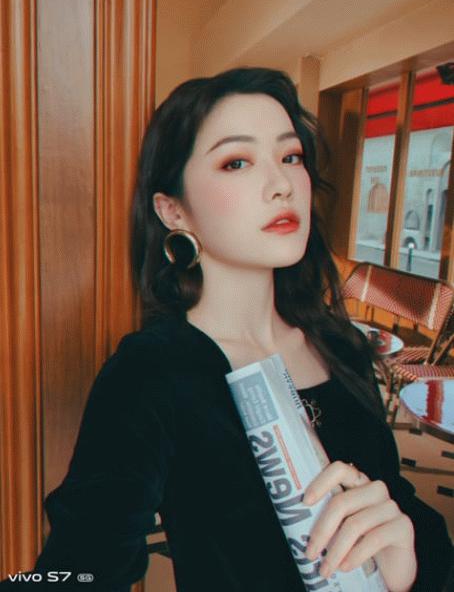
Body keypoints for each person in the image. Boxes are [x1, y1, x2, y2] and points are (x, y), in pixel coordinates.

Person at [2, 67, 452, 591]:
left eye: (291, 157)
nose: (282, 184)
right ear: (173, 210)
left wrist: (410, 566)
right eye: (236, 162)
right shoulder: (152, 372)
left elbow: (403, 505)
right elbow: (75, 572)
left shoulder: (342, 345)